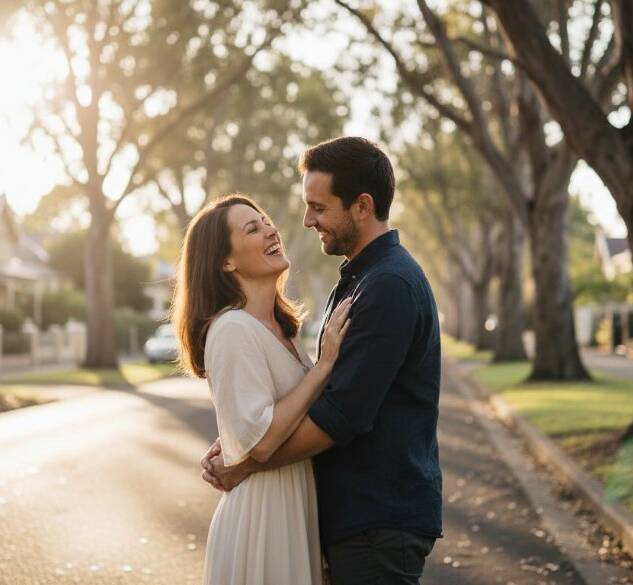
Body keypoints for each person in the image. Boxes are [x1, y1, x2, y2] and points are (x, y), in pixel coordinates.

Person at [201, 136, 443, 585]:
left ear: (362, 206)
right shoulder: (357, 281)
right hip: (346, 520)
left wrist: (245, 462)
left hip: (377, 520)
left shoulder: (387, 285)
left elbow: (340, 415)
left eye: (319, 207)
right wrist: (240, 439)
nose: (308, 221)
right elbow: (302, 403)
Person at [172, 194, 352, 585]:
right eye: (252, 228)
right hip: (262, 517)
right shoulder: (232, 329)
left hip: (294, 507)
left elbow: (264, 424)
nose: (271, 230)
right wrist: (323, 367)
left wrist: (232, 441)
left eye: (266, 221)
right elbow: (264, 443)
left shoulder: (284, 330)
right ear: (226, 261)